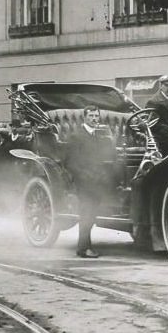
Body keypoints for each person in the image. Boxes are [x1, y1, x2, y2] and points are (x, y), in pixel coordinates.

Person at [64, 106, 115, 258]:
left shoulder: (97, 136)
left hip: (96, 181)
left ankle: (87, 246)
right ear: (84, 117)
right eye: (91, 116)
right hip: (84, 182)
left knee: (91, 214)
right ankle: (83, 248)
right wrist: (85, 177)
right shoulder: (76, 136)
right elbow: (71, 162)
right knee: (86, 213)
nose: (94, 119)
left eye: (96, 116)